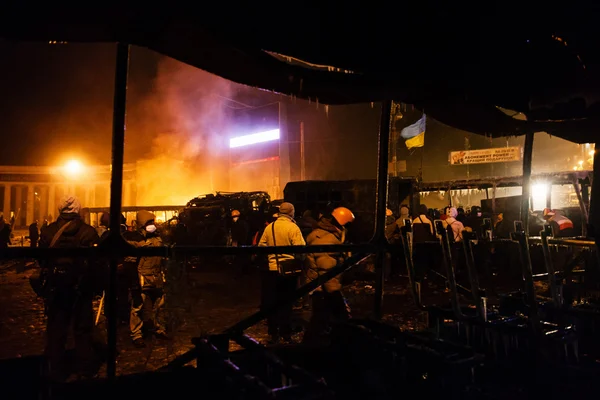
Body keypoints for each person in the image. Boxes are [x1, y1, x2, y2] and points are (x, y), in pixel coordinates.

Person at [38, 195, 100, 382]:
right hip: (80, 288)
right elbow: (96, 263)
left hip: (56, 288)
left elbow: (41, 259)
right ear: (78, 210)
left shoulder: (48, 232)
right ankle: (85, 370)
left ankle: (56, 370)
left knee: (56, 330)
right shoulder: (88, 232)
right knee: (82, 330)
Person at [303, 207, 355, 344]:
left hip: (318, 286)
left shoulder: (324, 235)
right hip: (324, 288)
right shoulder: (327, 240)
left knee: (321, 318)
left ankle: (313, 345)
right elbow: (326, 270)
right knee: (329, 317)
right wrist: (335, 293)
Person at [258, 202, 306, 344]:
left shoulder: (270, 227)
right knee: (286, 302)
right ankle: (286, 332)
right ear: (291, 212)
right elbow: (300, 249)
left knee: (273, 301)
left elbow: (261, 246)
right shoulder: (293, 227)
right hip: (289, 271)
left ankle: (273, 331)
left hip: (272, 270)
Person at [128, 211, 169, 347]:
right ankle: (136, 335)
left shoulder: (158, 240)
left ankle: (159, 328)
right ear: (141, 225)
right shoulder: (136, 242)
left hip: (156, 277)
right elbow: (131, 262)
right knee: (138, 307)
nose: (152, 225)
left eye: (152, 222)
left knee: (160, 305)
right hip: (143, 279)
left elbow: (163, 259)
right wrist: (134, 282)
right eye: (148, 223)